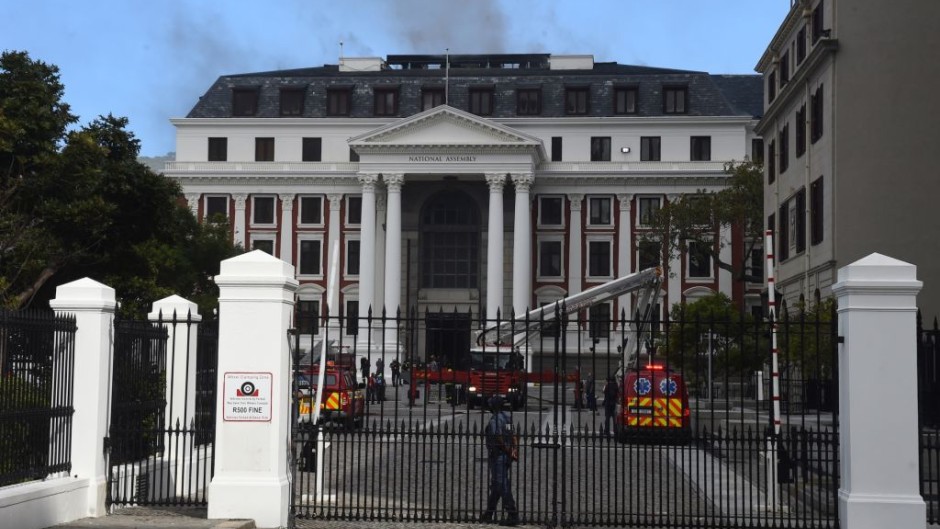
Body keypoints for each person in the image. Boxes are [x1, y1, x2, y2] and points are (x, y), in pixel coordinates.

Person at [482, 396, 519, 526]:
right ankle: (489, 513)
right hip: (506, 456)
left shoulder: (495, 419)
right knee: (497, 485)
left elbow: (498, 437)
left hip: (498, 455)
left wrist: (507, 450)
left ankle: (512, 513)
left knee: (501, 484)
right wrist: (514, 449)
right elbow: (513, 435)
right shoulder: (507, 417)